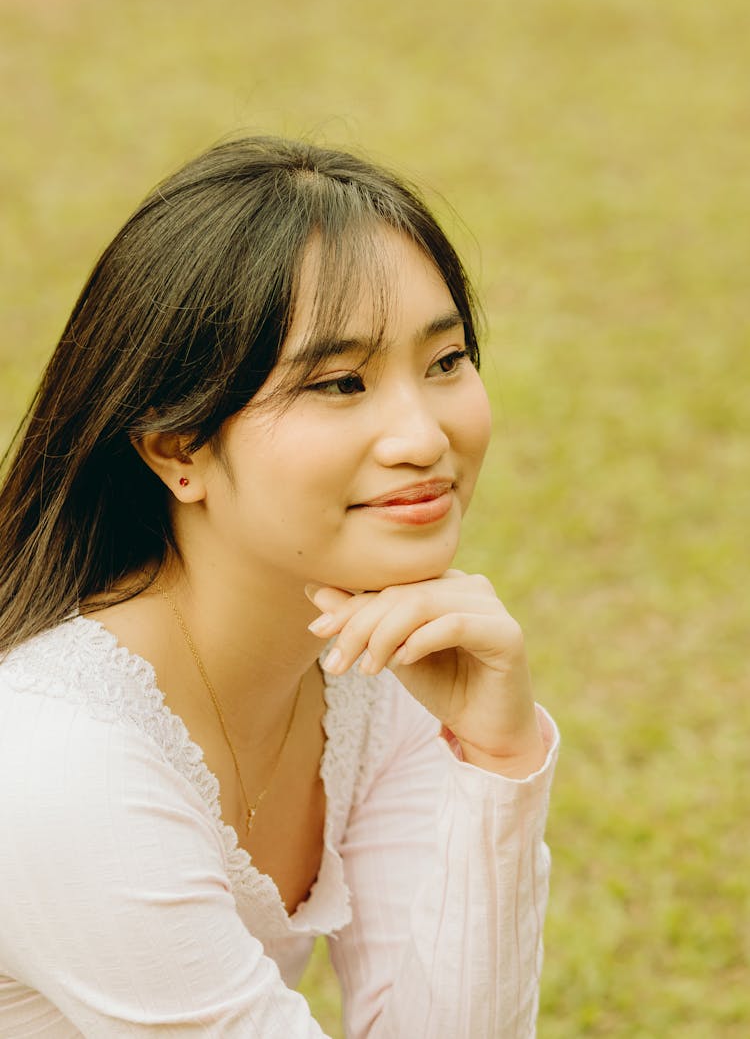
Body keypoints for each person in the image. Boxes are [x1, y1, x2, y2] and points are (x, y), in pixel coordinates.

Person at [0, 136, 558, 1038]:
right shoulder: (59, 761)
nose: (422, 434)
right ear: (179, 448)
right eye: (342, 382)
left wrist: (495, 758)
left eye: (446, 360)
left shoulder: (376, 670)